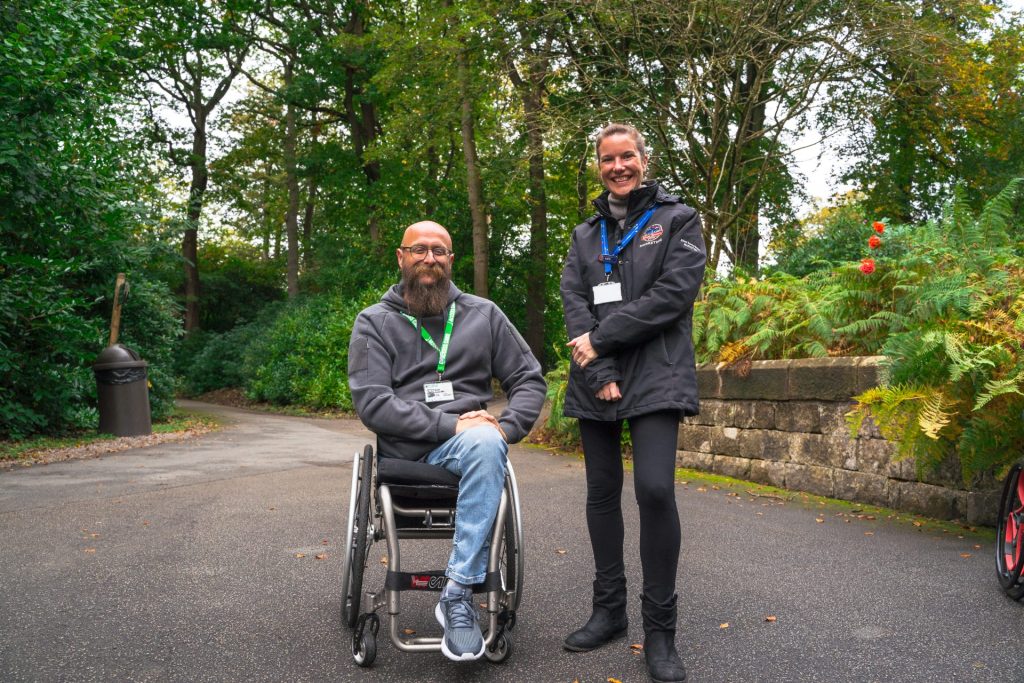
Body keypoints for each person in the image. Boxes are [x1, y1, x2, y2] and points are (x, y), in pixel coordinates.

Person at [348, 220, 545, 663]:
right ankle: (461, 596)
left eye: (439, 251)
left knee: (486, 443)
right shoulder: (373, 322)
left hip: (474, 447)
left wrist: (505, 427)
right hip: (408, 449)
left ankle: (456, 594)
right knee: (478, 440)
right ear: (401, 257)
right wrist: (450, 425)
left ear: (451, 260)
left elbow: (529, 379)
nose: (430, 258)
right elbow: (373, 403)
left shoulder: (484, 314)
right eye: (419, 250)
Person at [559, 123, 706, 683]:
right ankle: (609, 612)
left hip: (658, 374)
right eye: (607, 160)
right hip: (598, 374)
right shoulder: (584, 236)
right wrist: (599, 368)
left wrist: (603, 340)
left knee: (654, 489)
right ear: (598, 166)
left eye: (627, 157)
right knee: (601, 493)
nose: (618, 167)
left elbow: (672, 297)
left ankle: (660, 631)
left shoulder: (678, 219)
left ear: (645, 159)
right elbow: (576, 304)